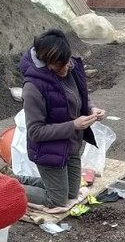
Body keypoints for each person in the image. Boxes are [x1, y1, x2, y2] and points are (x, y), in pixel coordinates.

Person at [17, 29, 106, 213]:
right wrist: (74, 125)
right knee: (57, 200)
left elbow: (79, 96)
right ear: (46, 61)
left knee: (71, 195)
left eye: (67, 62)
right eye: (59, 66)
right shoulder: (33, 87)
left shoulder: (70, 66)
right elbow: (35, 132)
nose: (66, 69)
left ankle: (19, 179)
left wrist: (91, 109)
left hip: (71, 145)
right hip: (49, 151)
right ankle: (10, 187)